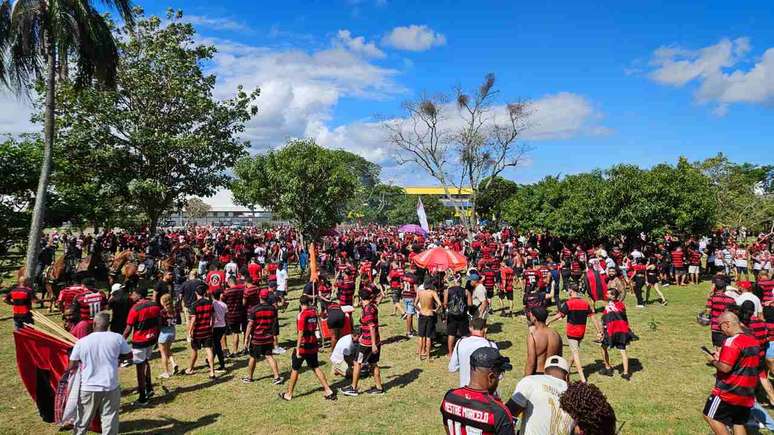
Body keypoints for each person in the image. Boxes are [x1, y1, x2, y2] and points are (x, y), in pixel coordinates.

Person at [69, 312, 132, 435]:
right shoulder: (117, 338)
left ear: (93, 324)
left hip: (88, 387)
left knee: (83, 419)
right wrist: (116, 357)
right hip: (110, 386)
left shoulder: (81, 342)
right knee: (110, 418)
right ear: (108, 325)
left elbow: (71, 366)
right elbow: (129, 355)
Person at [703, 311, 761, 435]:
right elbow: (742, 362)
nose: (721, 330)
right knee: (738, 422)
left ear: (727, 324)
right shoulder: (753, 341)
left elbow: (725, 368)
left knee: (710, 416)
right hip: (747, 392)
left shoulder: (731, 341)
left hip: (729, 391)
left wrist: (713, 361)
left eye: (720, 327)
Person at [440, 347, 515, 435]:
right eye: (499, 377)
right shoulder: (498, 412)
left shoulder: (449, 398)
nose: (499, 380)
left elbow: (448, 428)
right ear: (491, 377)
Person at [280, 295, 336, 401]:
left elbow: (300, 332)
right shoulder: (314, 313)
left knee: (295, 369)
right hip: (313, 343)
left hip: (304, 345)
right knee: (315, 367)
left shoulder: (302, 315)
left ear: (300, 304)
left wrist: (297, 348)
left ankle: (289, 394)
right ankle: (328, 389)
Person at [506, 355, 575, 435]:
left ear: (544, 373)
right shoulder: (575, 395)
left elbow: (507, 414)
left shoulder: (531, 381)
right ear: (567, 377)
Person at [548, 284, 602, 383]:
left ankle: (582, 378)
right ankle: (567, 370)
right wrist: (598, 331)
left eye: (569, 290)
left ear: (571, 291)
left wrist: (549, 321)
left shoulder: (569, 303)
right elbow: (593, 318)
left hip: (572, 332)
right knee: (574, 351)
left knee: (575, 353)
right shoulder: (585, 303)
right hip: (582, 332)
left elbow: (560, 315)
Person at [341, 289, 384, 397]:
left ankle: (353, 388)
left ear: (361, 298)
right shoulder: (373, 306)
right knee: (373, 364)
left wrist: (373, 344)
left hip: (367, 343)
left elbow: (372, 327)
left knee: (357, 363)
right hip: (375, 340)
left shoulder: (368, 309)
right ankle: (379, 388)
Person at [123, 287, 161, 406]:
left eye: (133, 293)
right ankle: (149, 388)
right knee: (146, 362)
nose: (131, 296)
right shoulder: (155, 305)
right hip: (152, 339)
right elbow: (159, 323)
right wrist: (157, 337)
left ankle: (142, 397)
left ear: (138, 295)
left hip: (139, 341)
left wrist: (120, 340)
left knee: (140, 368)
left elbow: (129, 328)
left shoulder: (135, 308)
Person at [242, 288, 283, 385]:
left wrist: (246, 339)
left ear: (259, 296)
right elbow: (273, 323)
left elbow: (250, 325)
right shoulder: (272, 309)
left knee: (253, 357)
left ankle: (249, 377)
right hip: (268, 337)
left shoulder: (254, 309)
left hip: (257, 338)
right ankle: (277, 376)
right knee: (269, 356)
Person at [448, 317, 498, 387]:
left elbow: (452, 368)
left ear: (470, 328)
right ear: (485, 329)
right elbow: (498, 374)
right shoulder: (491, 345)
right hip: (483, 391)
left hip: (464, 389)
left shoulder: (460, 342)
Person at [600, 288, 634, 380]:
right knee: (623, 351)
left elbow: (604, 321)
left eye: (608, 294)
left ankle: (608, 368)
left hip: (611, 332)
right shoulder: (621, 305)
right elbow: (624, 317)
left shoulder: (608, 307)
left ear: (613, 296)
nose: (606, 295)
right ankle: (626, 373)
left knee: (603, 347)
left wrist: (602, 332)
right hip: (622, 331)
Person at [187, 285, 216, 378]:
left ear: (196, 293)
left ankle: (190, 369)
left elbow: (193, 319)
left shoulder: (194, 305)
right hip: (207, 330)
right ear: (204, 293)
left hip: (197, 331)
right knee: (209, 350)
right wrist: (211, 326)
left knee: (194, 350)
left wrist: (189, 331)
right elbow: (213, 316)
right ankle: (212, 371)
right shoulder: (209, 303)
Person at [525, 306, 562, 376]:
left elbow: (531, 362)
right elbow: (559, 359)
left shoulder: (533, 336)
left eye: (531, 315)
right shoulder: (556, 334)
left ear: (534, 318)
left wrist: (525, 380)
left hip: (538, 374)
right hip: (552, 375)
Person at [706, 277, 737, 349]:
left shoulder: (712, 298)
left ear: (715, 288)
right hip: (727, 326)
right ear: (725, 288)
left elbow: (708, 311)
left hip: (715, 326)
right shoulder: (731, 300)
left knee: (716, 347)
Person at [444, 274, 471, 358]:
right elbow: (470, 304)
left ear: (454, 281)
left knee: (451, 334)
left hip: (452, 315)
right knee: (464, 334)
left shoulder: (448, 290)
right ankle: (465, 352)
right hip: (462, 315)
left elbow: (445, 304)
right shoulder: (466, 291)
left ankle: (450, 353)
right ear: (461, 281)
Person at [416, 280, 443, 360]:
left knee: (421, 336)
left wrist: (419, 309)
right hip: (430, 314)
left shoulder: (420, 292)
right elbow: (440, 304)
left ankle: (420, 355)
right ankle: (428, 356)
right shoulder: (432, 293)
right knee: (428, 337)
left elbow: (415, 303)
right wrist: (435, 310)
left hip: (422, 314)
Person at [157, 293, 179, 378]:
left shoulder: (162, 312)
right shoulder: (175, 310)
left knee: (163, 353)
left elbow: (159, 324)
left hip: (164, 332)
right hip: (172, 331)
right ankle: (173, 363)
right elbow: (179, 321)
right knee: (168, 350)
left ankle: (166, 372)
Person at [223, 277, 246, 356]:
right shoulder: (241, 290)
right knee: (235, 333)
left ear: (229, 283)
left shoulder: (227, 292)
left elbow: (222, 301)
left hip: (228, 315)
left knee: (223, 333)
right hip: (238, 314)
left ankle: (225, 350)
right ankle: (235, 351)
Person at [212, 290, 228, 372]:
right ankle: (210, 359)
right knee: (216, 343)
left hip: (215, 326)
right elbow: (226, 315)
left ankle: (222, 365)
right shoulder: (224, 305)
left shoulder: (212, 304)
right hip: (223, 325)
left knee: (217, 345)